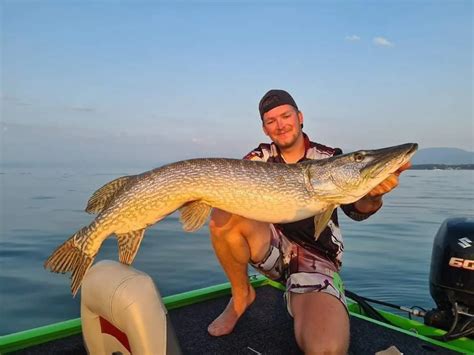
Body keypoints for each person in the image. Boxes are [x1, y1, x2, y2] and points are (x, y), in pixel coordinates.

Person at [207, 89, 411, 354]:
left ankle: (314, 294)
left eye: (286, 115)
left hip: (317, 259)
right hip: (270, 249)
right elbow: (225, 190)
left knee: (325, 349)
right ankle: (241, 295)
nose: (280, 125)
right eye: (271, 121)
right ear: (265, 129)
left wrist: (374, 196)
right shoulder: (258, 159)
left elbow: (358, 210)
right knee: (223, 216)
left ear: (300, 117)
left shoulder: (329, 158)